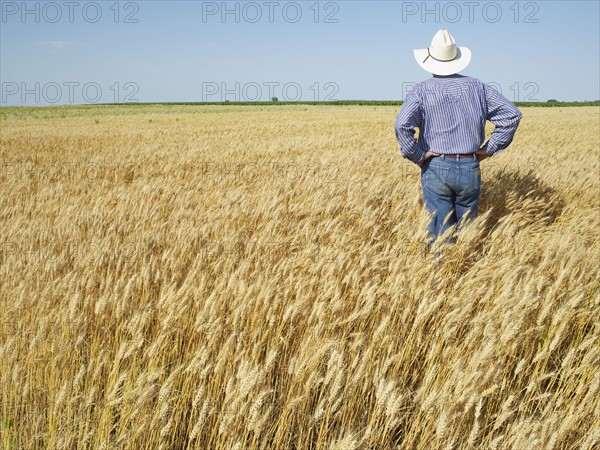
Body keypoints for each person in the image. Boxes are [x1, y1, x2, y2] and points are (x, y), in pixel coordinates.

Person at [395, 29, 522, 246]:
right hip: (469, 165)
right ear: (456, 58)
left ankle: (443, 272)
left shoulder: (421, 91)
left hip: (436, 165)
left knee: (439, 231)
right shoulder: (478, 88)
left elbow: (402, 125)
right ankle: (466, 270)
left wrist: (418, 155)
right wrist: (487, 150)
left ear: (430, 60)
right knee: (469, 229)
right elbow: (512, 115)